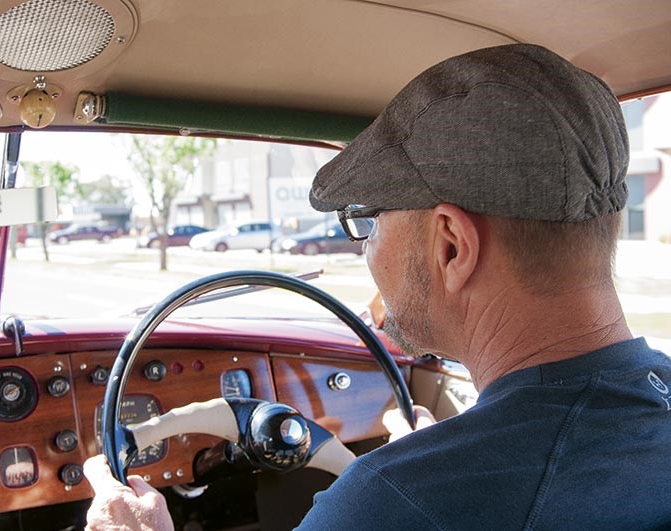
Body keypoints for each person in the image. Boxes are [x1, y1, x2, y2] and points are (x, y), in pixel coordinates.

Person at [84, 43, 671, 529]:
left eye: (367, 221)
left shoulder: (389, 503)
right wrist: (445, 452)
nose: (362, 248)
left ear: (451, 246)